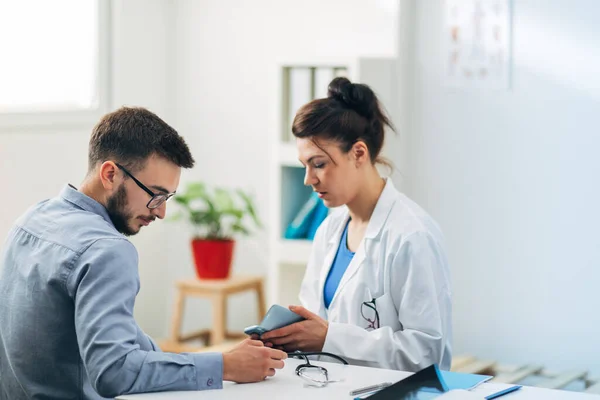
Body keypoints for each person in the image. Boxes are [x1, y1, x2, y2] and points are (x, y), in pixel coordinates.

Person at [0, 107, 287, 400]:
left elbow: (115, 342)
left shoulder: (31, 219)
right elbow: (114, 371)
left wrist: (218, 358)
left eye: (168, 198)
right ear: (110, 174)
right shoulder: (106, 250)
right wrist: (224, 366)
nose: (161, 211)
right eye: (155, 195)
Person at [260, 78, 452, 372]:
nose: (308, 179)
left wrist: (330, 338)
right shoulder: (329, 230)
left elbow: (427, 354)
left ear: (359, 153)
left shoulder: (412, 236)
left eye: (319, 164)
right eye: (305, 166)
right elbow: (314, 322)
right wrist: (287, 338)